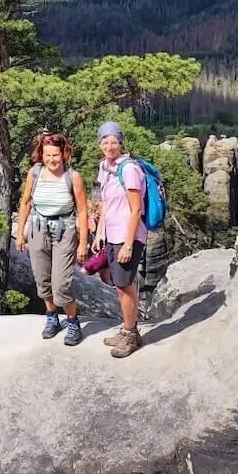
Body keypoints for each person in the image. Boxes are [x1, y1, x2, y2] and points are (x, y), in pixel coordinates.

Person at [16, 131, 89, 346]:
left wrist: (83, 242)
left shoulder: (72, 177)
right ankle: (52, 318)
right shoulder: (35, 173)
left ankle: (73, 321)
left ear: (64, 154)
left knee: (61, 285)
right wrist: (20, 233)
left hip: (64, 230)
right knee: (42, 279)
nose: (51, 160)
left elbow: (83, 211)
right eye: (47, 156)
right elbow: (25, 203)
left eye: (55, 155)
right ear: (41, 155)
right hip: (38, 229)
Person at [93, 121, 146, 358]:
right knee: (121, 284)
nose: (109, 145)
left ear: (121, 142)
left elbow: (136, 210)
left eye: (113, 141)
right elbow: (105, 202)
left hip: (128, 236)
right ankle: (128, 330)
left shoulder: (130, 169)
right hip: (112, 234)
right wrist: (100, 232)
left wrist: (127, 243)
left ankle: (130, 334)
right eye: (105, 141)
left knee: (123, 285)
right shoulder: (104, 166)